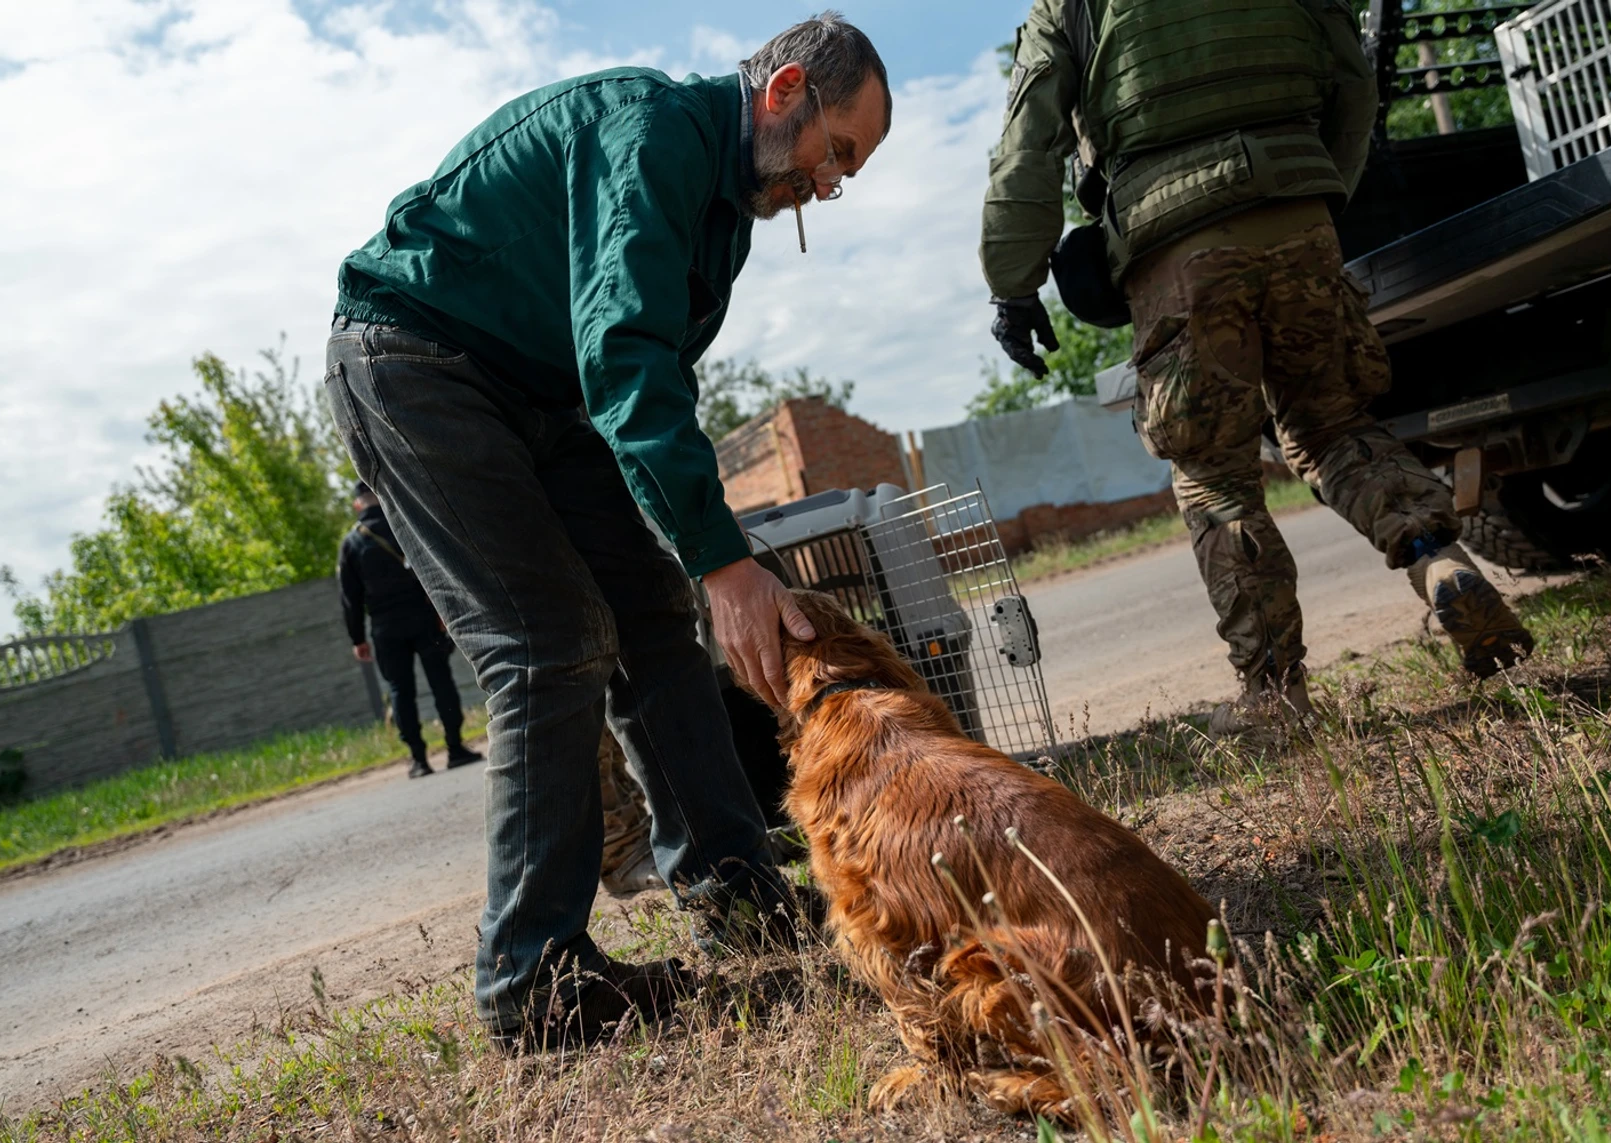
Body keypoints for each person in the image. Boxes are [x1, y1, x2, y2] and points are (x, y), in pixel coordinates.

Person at [324, 13, 891, 1049]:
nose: (830, 183)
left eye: (847, 172)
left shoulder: (725, 214)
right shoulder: (653, 133)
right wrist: (722, 561)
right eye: (837, 151)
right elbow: (625, 356)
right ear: (786, 91)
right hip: (419, 361)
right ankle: (533, 984)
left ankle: (738, 900)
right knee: (547, 642)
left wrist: (698, 553)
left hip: (549, 398)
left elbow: (652, 381)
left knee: (654, 623)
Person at [979, 0, 1534, 728]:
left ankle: (1276, 694)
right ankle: (1439, 559)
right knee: (1333, 425)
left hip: (1177, 244)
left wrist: (1013, 284)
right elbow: (1353, 82)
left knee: (1214, 474)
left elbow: (1028, 143)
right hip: (1300, 213)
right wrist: (1316, 184)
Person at [338, 482, 484, 778]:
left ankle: (418, 760)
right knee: (441, 682)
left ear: (357, 505)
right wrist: (445, 612)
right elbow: (435, 570)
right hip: (424, 619)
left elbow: (350, 598)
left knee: (400, 691)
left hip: (385, 628)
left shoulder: (351, 543)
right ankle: (455, 748)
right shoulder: (404, 525)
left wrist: (358, 638)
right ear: (379, 497)